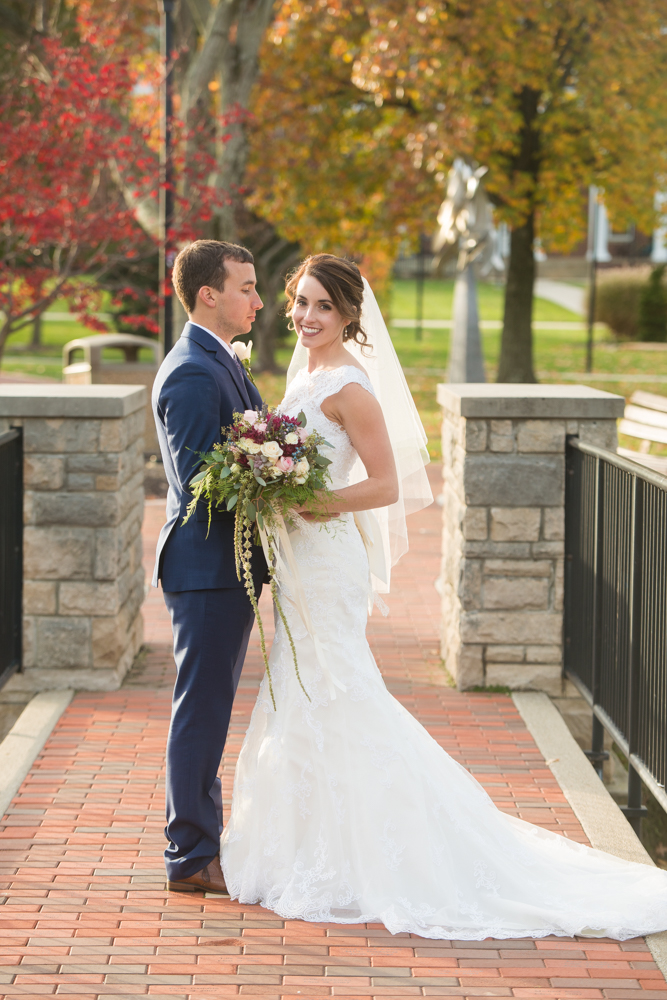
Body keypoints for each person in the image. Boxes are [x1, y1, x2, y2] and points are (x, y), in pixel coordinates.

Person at [219, 252, 667, 940]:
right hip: (299, 563)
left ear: (347, 317)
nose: (306, 317)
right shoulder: (302, 372)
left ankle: (393, 849)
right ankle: (315, 843)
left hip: (328, 556)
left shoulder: (349, 386)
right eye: (300, 303)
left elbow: (386, 485)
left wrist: (313, 501)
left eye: (322, 308)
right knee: (303, 685)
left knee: (339, 689)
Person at [152, 239, 267, 895]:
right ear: (208, 295)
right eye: (246, 287)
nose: (256, 299)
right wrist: (280, 484)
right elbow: (201, 481)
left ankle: (200, 843)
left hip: (227, 566)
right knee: (200, 712)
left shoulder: (219, 359)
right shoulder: (193, 371)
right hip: (206, 567)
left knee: (211, 709)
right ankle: (190, 854)